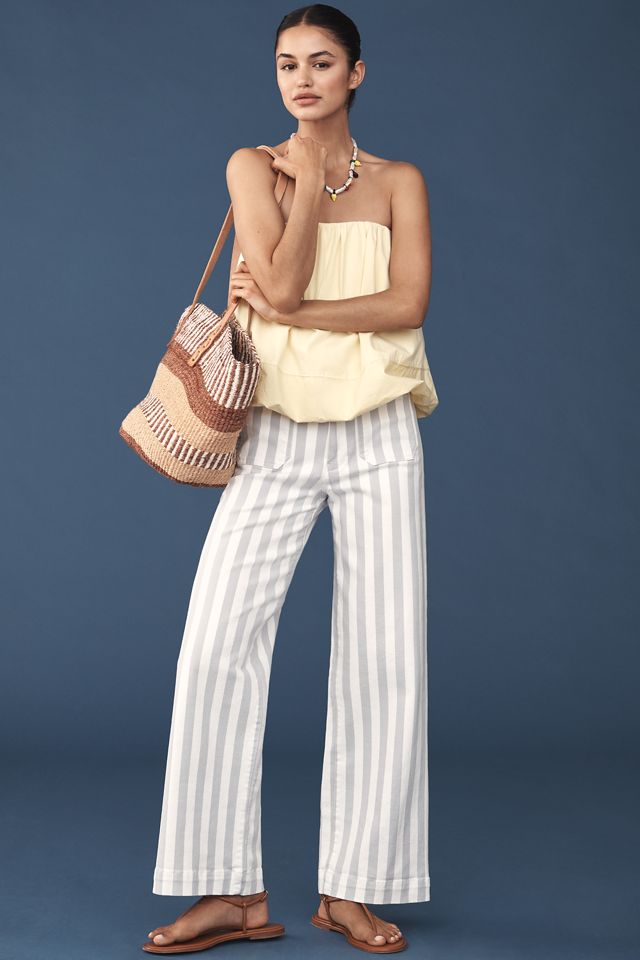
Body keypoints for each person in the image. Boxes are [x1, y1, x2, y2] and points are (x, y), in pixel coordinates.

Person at [142, 3, 438, 954]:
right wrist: (305, 181)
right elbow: (278, 282)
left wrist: (292, 308)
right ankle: (231, 893)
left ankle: (354, 889)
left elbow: (407, 300)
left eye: (320, 62)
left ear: (357, 73)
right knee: (214, 648)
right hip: (274, 431)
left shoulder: (399, 181)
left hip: (379, 431)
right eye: (286, 64)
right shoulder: (252, 166)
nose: (301, 80)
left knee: (385, 659)